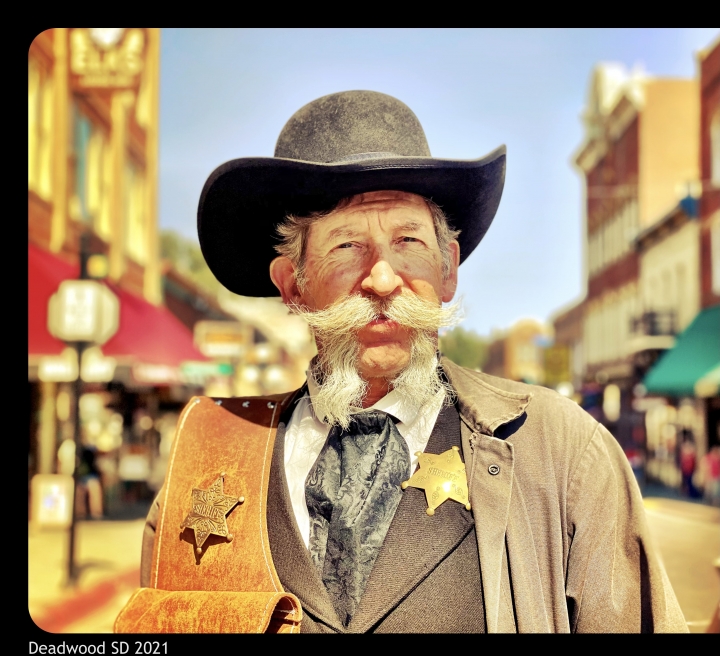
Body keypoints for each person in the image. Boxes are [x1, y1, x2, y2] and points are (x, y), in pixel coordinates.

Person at [137, 90, 686, 633]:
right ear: (292, 285)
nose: (381, 278)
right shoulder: (209, 458)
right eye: (346, 246)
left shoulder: (563, 453)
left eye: (407, 240)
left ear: (448, 269)